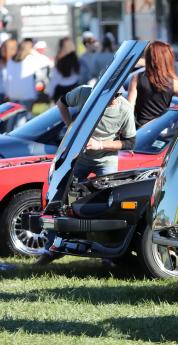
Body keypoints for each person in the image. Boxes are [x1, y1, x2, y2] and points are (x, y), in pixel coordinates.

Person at [36, 85, 136, 265]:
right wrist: (70, 128)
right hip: (78, 157)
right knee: (60, 199)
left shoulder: (125, 108)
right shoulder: (84, 93)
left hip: (106, 161)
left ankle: (108, 254)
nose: (107, 101)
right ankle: (51, 249)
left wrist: (100, 145)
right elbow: (62, 102)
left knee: (109, 204)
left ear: (118, 94)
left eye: (112, 98)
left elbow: (129, 142)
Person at [127, 41, 178, 128]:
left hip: (141, 131)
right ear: (167, 59)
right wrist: (173, 116)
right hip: (161, 131)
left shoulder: (136, 78)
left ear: (149, 57)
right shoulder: (174, 83)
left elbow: (129, 108)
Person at [5, 39, 52, 111]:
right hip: (27, 95)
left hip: (13, 95)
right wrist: (34, 52)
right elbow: (47, 63)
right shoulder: (32, 59)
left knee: (13, 117)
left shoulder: (11, 60)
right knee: (22, 117)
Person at [46, 37, 80, 103]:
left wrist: (50, 93)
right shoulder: (75, 58)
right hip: (74, 88)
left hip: (60, 91)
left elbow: (55, 78)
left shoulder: (58, 59)